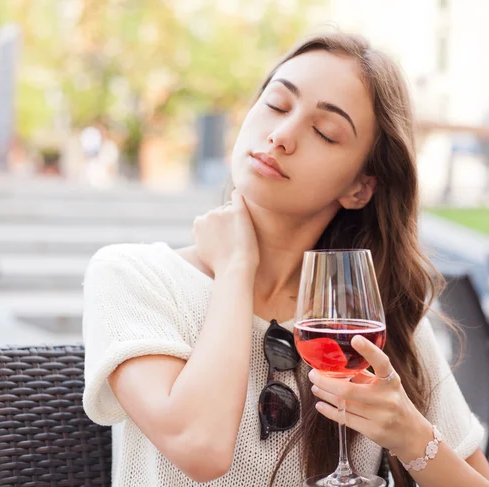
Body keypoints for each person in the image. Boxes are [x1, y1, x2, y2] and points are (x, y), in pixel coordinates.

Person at [82, 32, 489, 486]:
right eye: (276, 105)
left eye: (324, 132)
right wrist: (236, 268)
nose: (281, 136)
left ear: (360, 188)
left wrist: (410, 436)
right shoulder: (136, 277)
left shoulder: (371, 316)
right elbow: (200, 447)